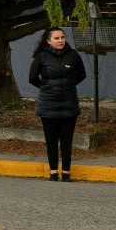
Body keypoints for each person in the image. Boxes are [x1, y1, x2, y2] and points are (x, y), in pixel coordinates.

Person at [28, 27, 87, 181]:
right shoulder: (42, 56)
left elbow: (82, 74)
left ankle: (66, 171)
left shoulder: (73, 55)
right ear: (48, 41)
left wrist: (68, 85)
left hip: (69, 104)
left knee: (67, 142)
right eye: (56, 38)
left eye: (62, 37)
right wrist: (46, 87)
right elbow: (33, 77)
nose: (60, 40)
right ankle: (53, 171)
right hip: (48, 105)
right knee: (51, 141)